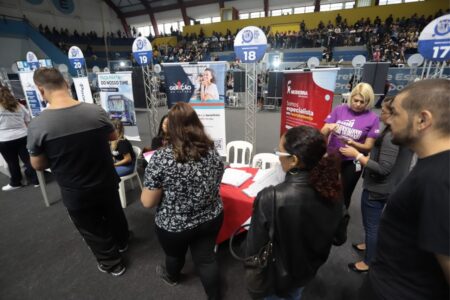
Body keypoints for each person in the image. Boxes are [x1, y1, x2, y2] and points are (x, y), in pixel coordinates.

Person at [27, 68, 130, 277]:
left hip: (76, 188)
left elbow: (37, 165)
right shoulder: (95, 111)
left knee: (91, 226)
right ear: (66, 83)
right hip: (106, 179)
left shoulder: (38, 124)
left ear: (40, 90)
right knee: (114, 213)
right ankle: (122, 243)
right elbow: (112, 137)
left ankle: (113, 263)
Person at [360, 79, 449, 299]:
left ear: (422, 120)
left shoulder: (439, 180)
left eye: (396, 114)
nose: (389, 120)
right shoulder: (432, 168)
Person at [245, 126, 344, 300]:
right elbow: (339, 237)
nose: (278, 158)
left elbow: (253, 250)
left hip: (275, 276)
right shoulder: (333, 188)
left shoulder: (271, 196)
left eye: (280, 153)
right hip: (307, 271)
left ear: (294, 161)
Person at [141, 102, 224, 299]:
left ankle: (172, 277)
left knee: (174, 256)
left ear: (171, 127)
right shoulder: (211, 151)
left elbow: (147, 202)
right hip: (211, 216)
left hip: (175, 225)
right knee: (206, 259)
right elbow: (218, 178)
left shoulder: (161, 158)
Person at [339, 97, 414, 273]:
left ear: (394, 114)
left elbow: (382, 168)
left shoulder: (390, 137)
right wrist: (357, 146)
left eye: (385, 111)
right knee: (375, 224)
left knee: (371, 225)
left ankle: (368, 263)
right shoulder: (406, 132)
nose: (381, 114)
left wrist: (356, 155)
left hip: (378, 188)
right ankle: (369, 245)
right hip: (392, 185)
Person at [321, 82, 379, 210]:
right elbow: (322, 133)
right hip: (333, 156)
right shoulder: (339, 109)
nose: (358, 104)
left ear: (368, 102)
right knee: (327, 187)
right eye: (355, 100)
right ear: (351, 97)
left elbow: (368, 147)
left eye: (362, 102)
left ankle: (341, 220)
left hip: (353, 161)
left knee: (345, 193)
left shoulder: (373, 118)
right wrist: (328, 128)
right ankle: (325, 215)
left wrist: (352, 144)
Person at [0, 87, 38, 191]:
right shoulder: (18, 105)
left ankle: (16, 182)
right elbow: (27, 119)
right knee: (28, 159)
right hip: (22, 136)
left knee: (12, 162)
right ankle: (36, 180)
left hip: (4, 139)